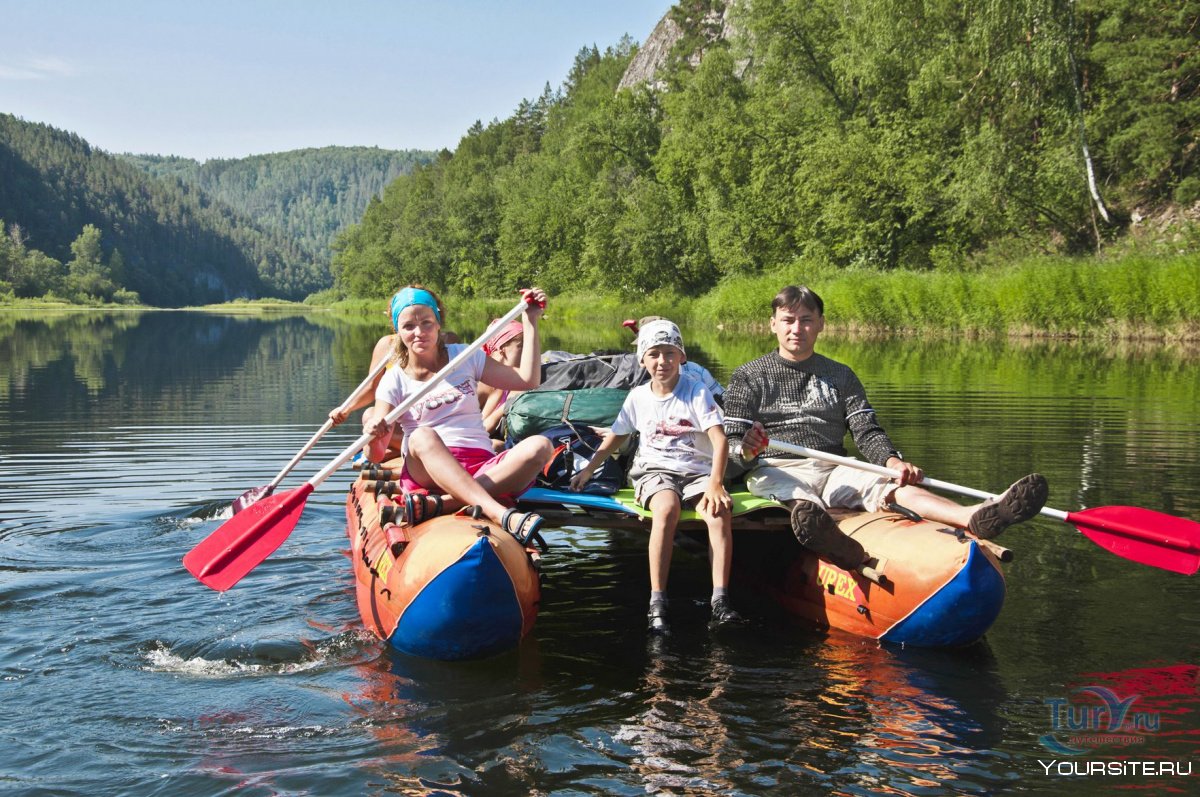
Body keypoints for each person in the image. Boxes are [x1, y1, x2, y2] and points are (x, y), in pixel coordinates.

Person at [723, 285, 1048, 570]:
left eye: (806, 320)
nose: (797, 329)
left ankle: (972, 516)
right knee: (799, 498)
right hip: (776, 466)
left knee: (889, 485)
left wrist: (893, 463)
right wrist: (748, 450)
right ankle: (827, 534)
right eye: (788, 320)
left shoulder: (841, 374)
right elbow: (732, 444)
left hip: (836, 465)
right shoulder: (748, 376)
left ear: (820, 324)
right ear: (773, 324)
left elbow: (866, 429)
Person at [569, 318, 744, 635]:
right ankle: (657, 602)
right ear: (643, 359)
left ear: (681, 357)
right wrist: (589, 468)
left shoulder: (696, 392)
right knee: (666, 509)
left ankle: (720, 600)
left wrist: (716, 484)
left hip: (697, 472)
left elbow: (720, 441)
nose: (662, 361)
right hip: (656, 470)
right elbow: (617, 437)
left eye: (669, 353)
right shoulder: (637, 396)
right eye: (654, 354)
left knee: (718, 513)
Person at [365, 285, 554, 543]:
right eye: (409, 326)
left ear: (438, 322)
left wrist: (530, 320)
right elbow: (375, 455)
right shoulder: (394, 380)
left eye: (426, 323)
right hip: (427, 470)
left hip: (481, 466)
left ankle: (444, 504)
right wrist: (374, 435)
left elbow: (527, 380)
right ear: (398, 330)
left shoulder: (464, 356)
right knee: (421, 436)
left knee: (541, 446)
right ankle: (500, 513)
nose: (419, 332)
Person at [477, 318, 525, 450]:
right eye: (521, 346)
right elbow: (481, 426)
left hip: (500, 437)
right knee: (495, 445)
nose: (528, 353)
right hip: (475, 438)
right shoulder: (486, 381)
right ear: (502, 349)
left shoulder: (518, 380)